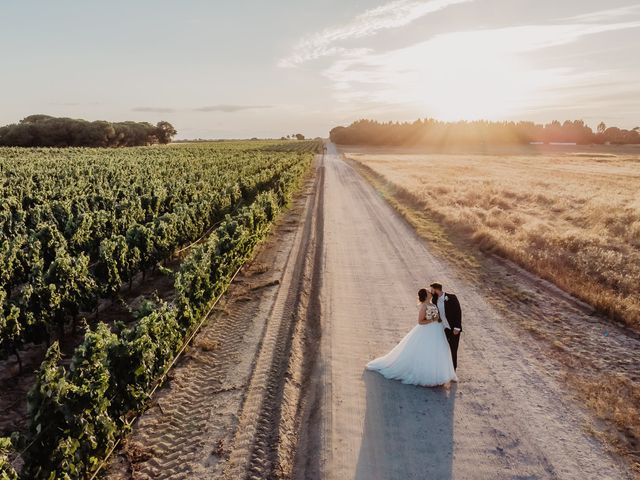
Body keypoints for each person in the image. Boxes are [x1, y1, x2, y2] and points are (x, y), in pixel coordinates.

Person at [366, 288, 457, 387]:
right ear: (426, 296)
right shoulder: (424, 306)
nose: (430, 293)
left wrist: (438, 320)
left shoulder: (433, 304)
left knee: (437, 351)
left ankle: (438, 375)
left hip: (437, 331)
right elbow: (420, 321)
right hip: (428, 331)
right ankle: (428, 376)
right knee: (427, 351)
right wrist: (432, 320)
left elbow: (436, 316)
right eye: (428, 292)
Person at [430, 282, 462, 370]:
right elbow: (435, 315)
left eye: (432, 290)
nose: (431, 292)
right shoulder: (433, 300)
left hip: (453, 328)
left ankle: (453, 370)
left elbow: (458, 312)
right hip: (442, 329)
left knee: (453, 349)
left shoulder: (452, 297)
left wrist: (457, 327)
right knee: (443, 349)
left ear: (437, 290)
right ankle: (443, 370)